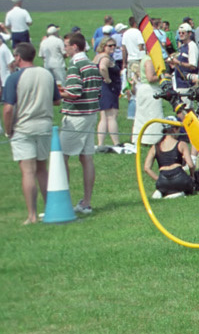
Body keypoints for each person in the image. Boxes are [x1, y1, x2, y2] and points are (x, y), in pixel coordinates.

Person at [3, 43, 59, 224]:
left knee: (28, 172)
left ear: (18, 57)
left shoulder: (14, 78)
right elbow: (57, 101)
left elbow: (8, 109)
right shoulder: (47, 74)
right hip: (44, 125)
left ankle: (32, 215)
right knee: (42, 169)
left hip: (23, 127)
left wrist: (8, 130)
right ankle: (51, 209)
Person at [59, 32, 103, 215]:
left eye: (66, 45)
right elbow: (97, 91)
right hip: (91, 114)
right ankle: (86, 202)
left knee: (61, 157)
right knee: (86, 157)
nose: (65, 49)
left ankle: (62, 201)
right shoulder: (93, 65)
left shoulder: (75, 65)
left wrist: (57, 93)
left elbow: (75, 93)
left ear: (74, 47)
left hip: (77, 116)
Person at [143, 125, 197, 199]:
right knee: (190, 187)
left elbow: (146, 168)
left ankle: (162, 192)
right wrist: (192, 176)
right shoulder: (181, 144)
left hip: (163, 180)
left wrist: (158, 179)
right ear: (174, 129)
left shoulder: (155, 147)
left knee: (165, 187)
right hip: (179, 178)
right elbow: (191, 165)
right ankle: (179, 193)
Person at [94, 36, 122, 149]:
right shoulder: (105, 58)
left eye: (114, 45)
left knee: (103, 116)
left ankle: (100, 143)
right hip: (108, 88)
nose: (113, 48)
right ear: (103, 46)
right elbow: (102, 68)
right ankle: (116, 142)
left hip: (100, 88)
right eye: (110, 45)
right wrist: (108, 79)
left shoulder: (97, 57)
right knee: (112, 116)